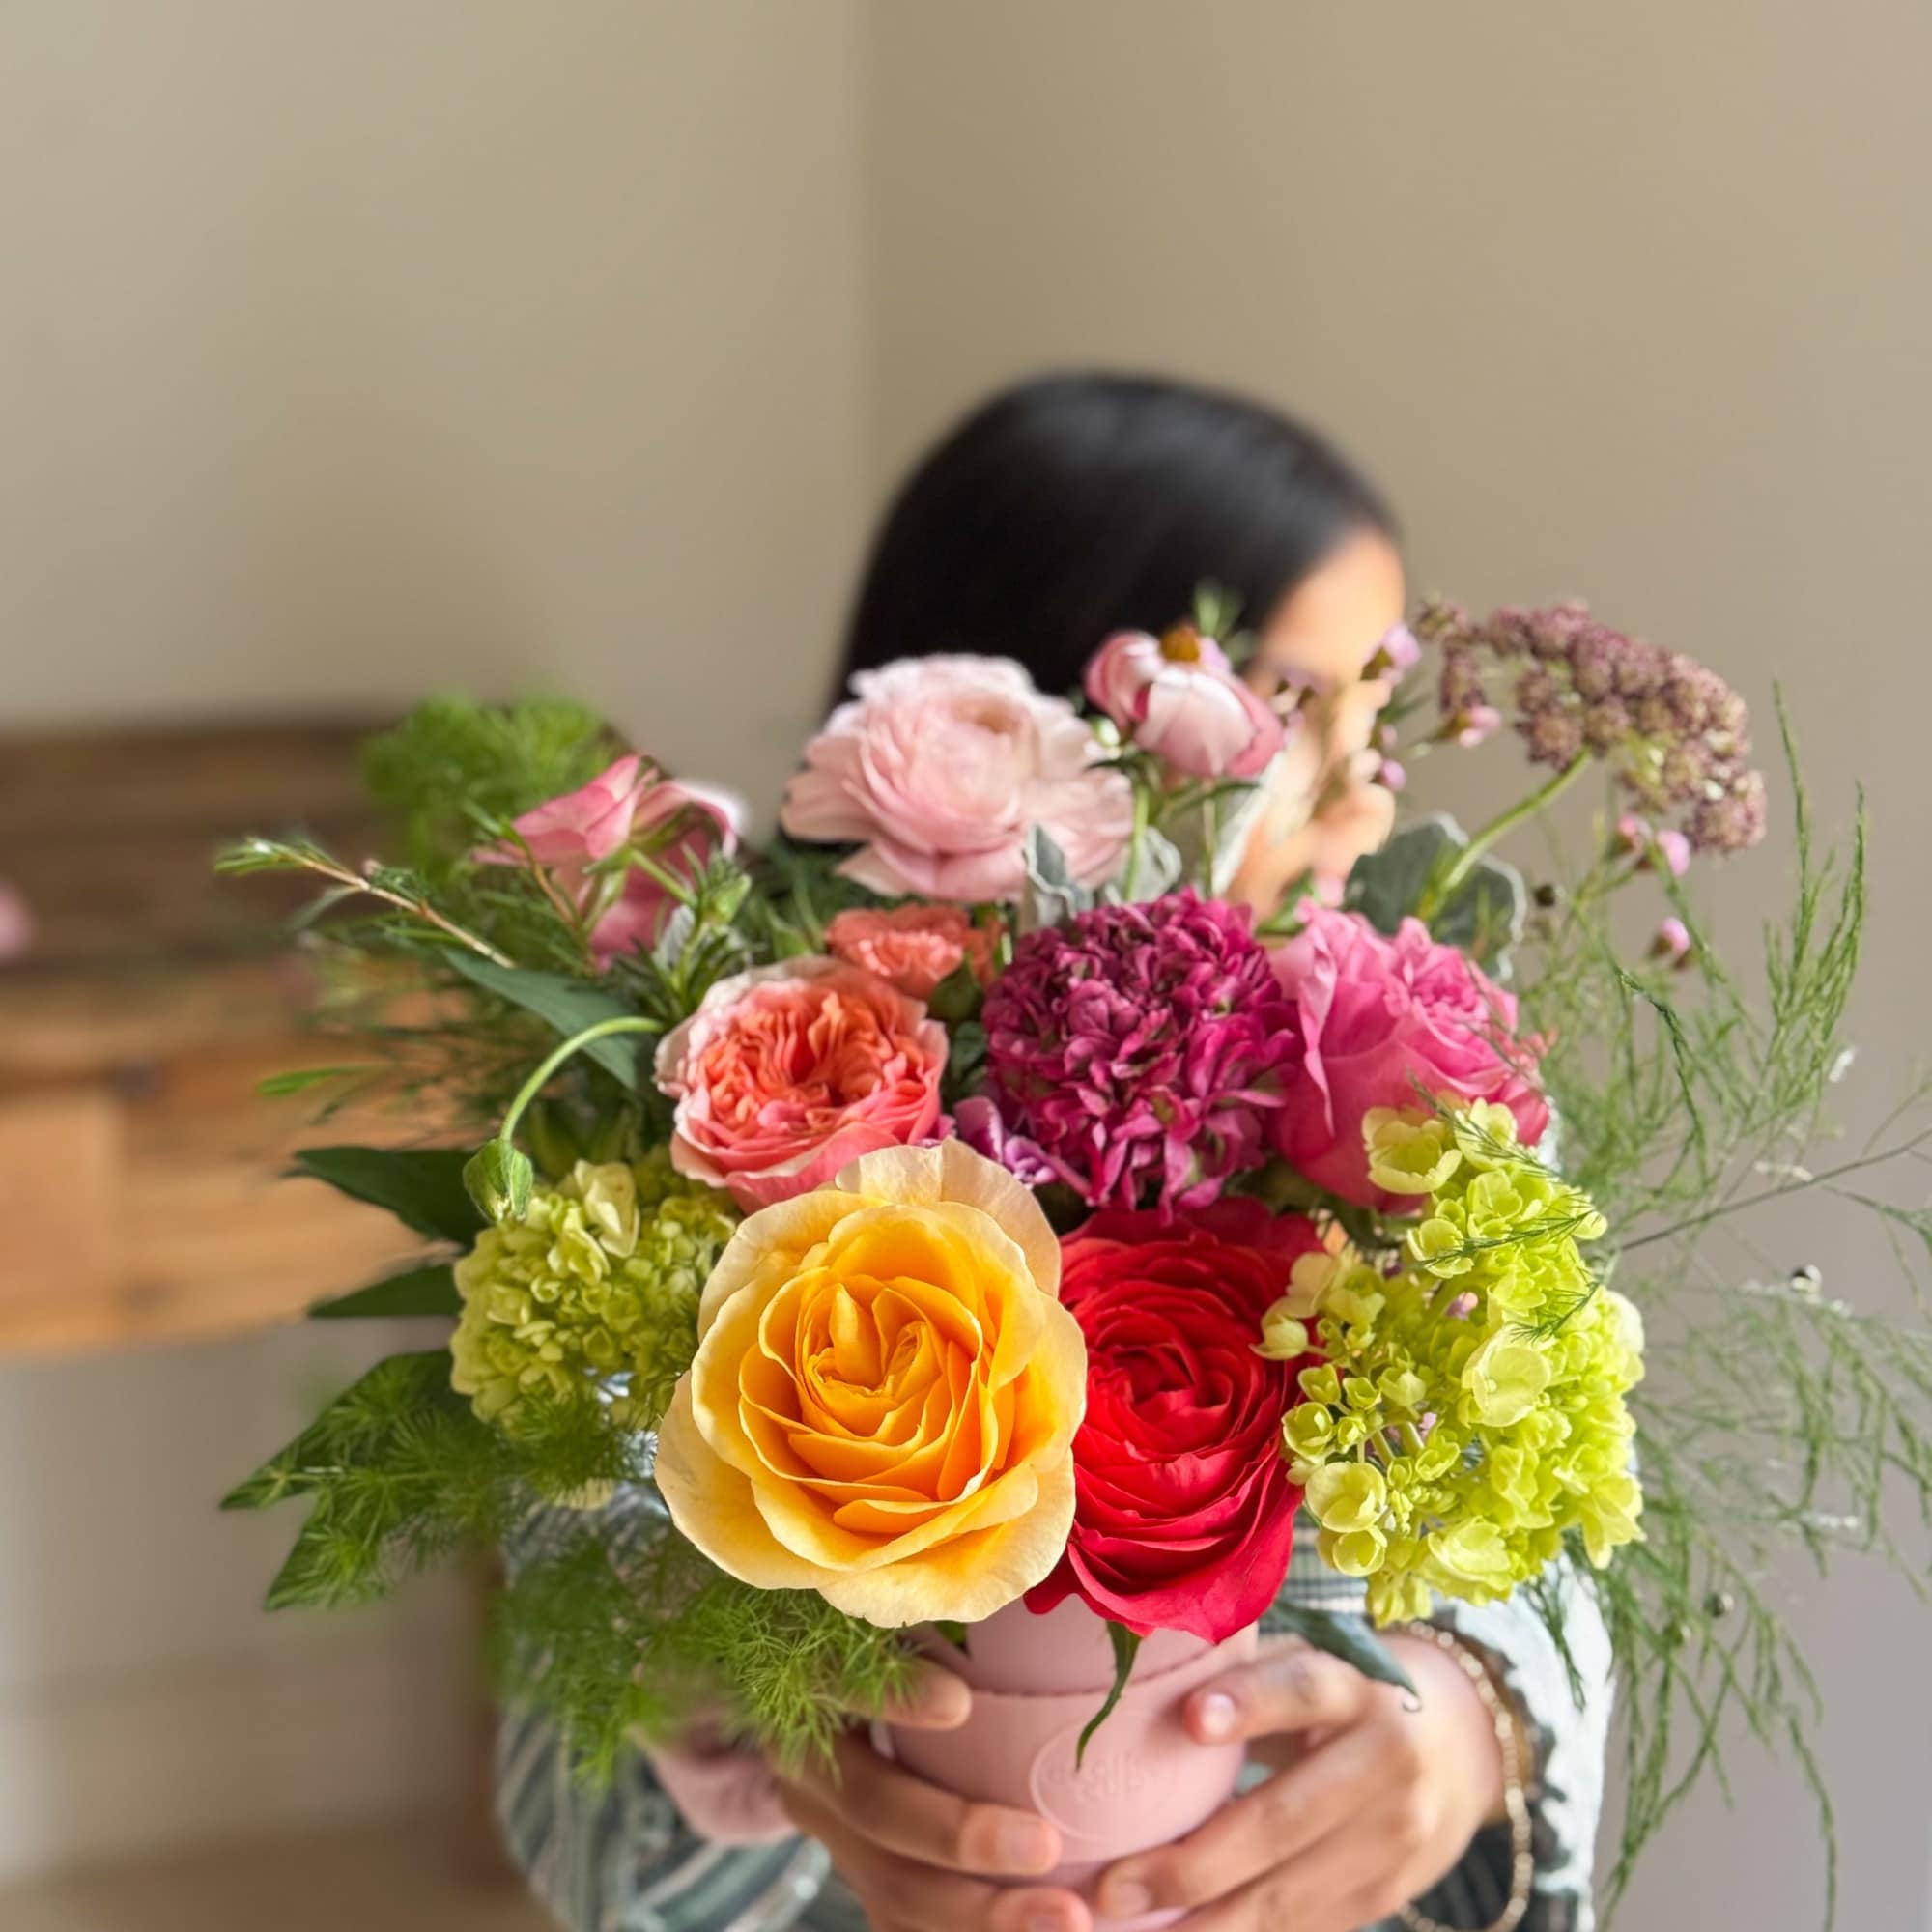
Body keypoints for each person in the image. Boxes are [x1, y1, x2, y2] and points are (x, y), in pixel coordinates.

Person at [496, 372, 1614, 1932]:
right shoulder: (732, 1114)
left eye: (1375, 726)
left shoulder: (1416, 1101)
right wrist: (734, 1711)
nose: (1364, 803)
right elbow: (573, 1765)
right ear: (1049, 718)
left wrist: (1472, 1730)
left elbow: (1565, 1550)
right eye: (1298, 708)